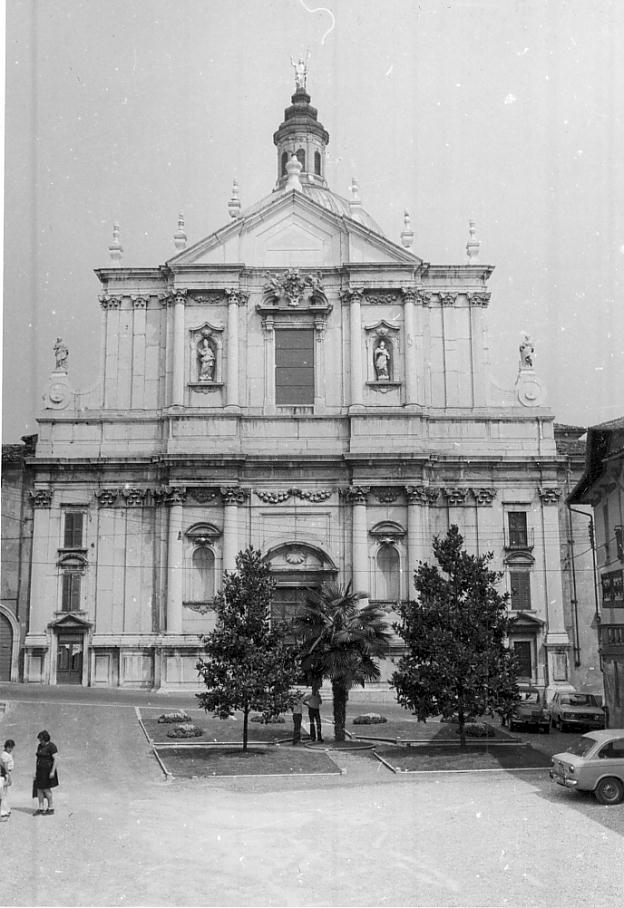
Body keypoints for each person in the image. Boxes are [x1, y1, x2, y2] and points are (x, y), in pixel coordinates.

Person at [34, 730, 59, 816]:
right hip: (40, 771)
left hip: (48, 771)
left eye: (41, 740)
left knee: (46, 789)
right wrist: (36, 772)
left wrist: (52, 771)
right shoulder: (39, 746)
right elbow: (38, 759)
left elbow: (56, 759)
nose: (40, 742)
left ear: (45, 739)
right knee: (39, 789)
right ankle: (41, 808)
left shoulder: (52, 746)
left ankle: (50, 808)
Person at [0, 740, 16, 820]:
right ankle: (3, 813)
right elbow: (5, 766)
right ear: (6, 747)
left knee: (5, 793)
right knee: (3, 794)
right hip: (5, 774)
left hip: (6, 773)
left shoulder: (7, 754)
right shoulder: (5, 755)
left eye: (11, 747)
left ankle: (6, 809)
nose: (10, 749)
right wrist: (8, 776)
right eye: (9, 747)